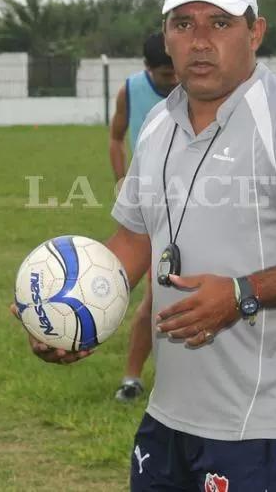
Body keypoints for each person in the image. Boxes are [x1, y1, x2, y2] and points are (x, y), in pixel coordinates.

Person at [13, 0, 276, 491]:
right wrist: (72, 313)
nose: (200, 41)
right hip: (170, 416)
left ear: (256, 32)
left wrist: (242, 293)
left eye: (220, 23)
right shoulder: (161, 123)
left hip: (266, 425)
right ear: (166, 37)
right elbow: (136, 238)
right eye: (183, 24)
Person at [109, 32, 180, 403]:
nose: (174, 80)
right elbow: (115, 137)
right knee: (155, 297)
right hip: (156, 203)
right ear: (148, 68)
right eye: (166, 74)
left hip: (202, 199)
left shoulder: (202, 89)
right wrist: (123, 179)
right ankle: (132, 378)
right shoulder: (130, 91)